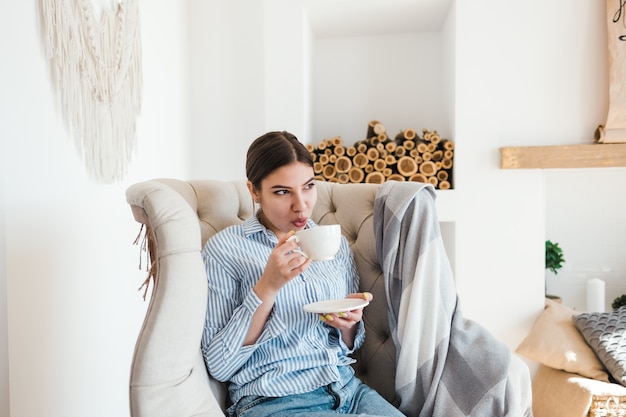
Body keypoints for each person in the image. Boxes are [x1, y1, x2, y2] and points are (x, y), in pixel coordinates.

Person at [201, 131, 405, 417]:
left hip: (347, 389)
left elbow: (349, 346)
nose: (302, 205)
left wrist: (347, 324)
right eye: (282, 192)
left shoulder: (333, 243)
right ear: (254, 191)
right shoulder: (226, 249)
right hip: (273, 400)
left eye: (308, 186)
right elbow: (219, 364)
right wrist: (267, 288)